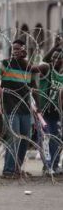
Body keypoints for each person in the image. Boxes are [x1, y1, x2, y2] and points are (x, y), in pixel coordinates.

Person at [0, 39, 46, 178]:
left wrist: (38, 107)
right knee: (14, 138)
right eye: (14, 49)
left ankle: (17, 168)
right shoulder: (6, 64)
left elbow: (34, 88)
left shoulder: (27, 67)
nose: (15, 51)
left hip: (25, 108)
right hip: (10, 107)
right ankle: (8, 170)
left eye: (18, 49)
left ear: (24, 51)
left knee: (25, 139)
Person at [38, 37, 63, 174]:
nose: (54, 59)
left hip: (56, 112)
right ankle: (47, 166)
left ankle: (55, 164)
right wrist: (55, 46)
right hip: (44, 112)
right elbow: (44, 60)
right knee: (46, 139)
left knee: (57, 140)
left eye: (58, 58)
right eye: (53, 57)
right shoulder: (47, 70)